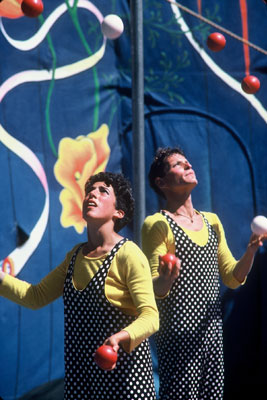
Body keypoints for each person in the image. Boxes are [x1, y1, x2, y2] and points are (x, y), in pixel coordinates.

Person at [0, 171, 159, 400]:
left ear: (118, 212)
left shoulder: (129, 254)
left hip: (125, 383)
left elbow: (151, 317)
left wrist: (119, 337)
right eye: (89, 192)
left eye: (103, 191)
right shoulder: (74, 257)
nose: (92, 195)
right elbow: (35, 296)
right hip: (81, 382)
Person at [141, 147, 267, 400]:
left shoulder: (212, 221)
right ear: (161, 182)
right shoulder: (157, 224)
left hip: (211, 334)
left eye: (188, 162)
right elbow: (155, 288)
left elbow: (232, 278)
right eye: (178, 164)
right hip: (178, 337)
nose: (188, 166)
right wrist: (166, 277)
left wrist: (250, 252)